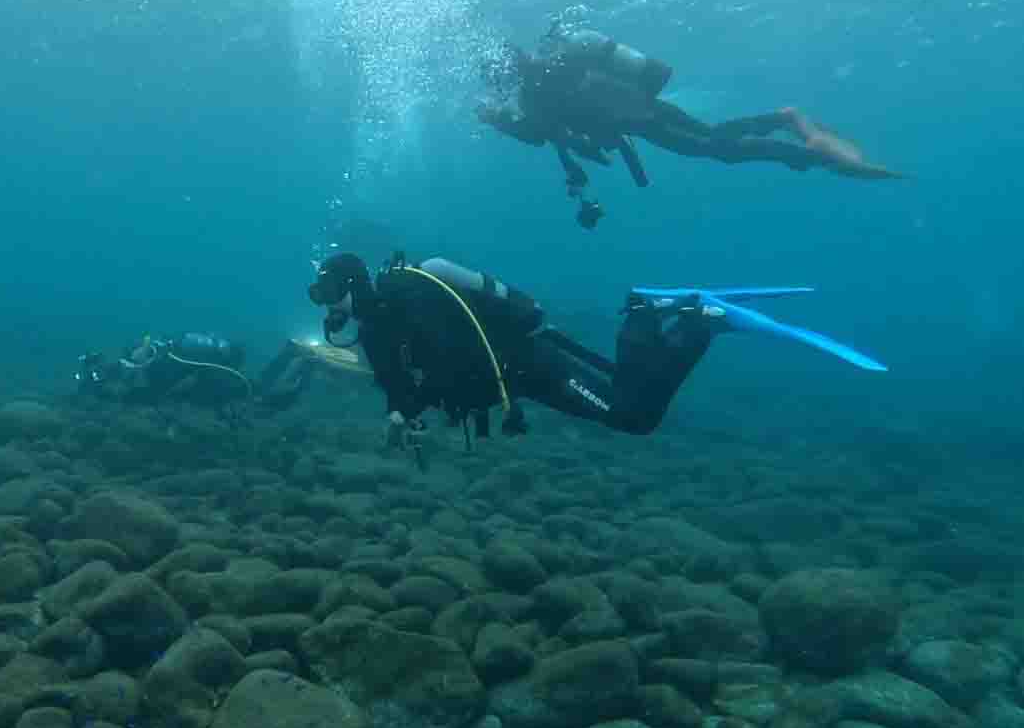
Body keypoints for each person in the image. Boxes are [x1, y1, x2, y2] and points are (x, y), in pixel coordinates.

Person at [306, 251, 884, 455]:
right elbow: (397, 383)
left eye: (329, 294)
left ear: (354, 286)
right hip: (524, 373)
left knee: (635, 415)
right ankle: (683, 321)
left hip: (532, 363)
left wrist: (424, 400)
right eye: (320, 297)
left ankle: (677, 318)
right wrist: (399, 413)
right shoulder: (380, 330)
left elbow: (455, 357)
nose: (327, 308)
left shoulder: (409, 294)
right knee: (636, 407)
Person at [478, 23, 905, 227]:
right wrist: (499, 119)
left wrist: (499, 120)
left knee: (715, 146)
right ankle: (788, 128)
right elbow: (540, 134)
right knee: (714, 141)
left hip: (644, 116)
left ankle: (805, 149)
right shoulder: (541, 87)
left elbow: (539, 132)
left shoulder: (556, 70)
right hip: (646, 117)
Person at [75, 331, 367, 412]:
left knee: (265, 398)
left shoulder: (156, 370)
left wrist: (107, 393)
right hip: (214, 377)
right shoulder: (158, 362)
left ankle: (304, 360)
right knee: (260, 390)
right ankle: (293, 353)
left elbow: (154, 395)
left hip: (217, 381)